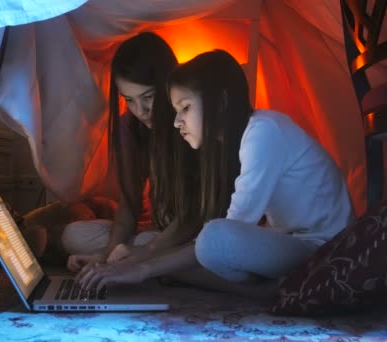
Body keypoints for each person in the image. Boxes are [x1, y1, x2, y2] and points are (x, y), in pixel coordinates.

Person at [76, 49, 355, 299]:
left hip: (321, 250)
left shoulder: (263, 131)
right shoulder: (239, 141)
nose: (176, 122)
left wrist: (142, 267)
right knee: (161, 244)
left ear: (219, 102)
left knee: (214, 239)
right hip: (288, 245)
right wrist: (143, 259)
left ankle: (270, 289)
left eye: (185, 108)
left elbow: (231, 228)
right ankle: (266, 286)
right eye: (175, 111)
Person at [63, 32, 200, 272]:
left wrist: (143, 252)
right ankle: (150, 259)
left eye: (148, 97)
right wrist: (107, 254)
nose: (141, 110)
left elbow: (195, 214)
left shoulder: (191, 122)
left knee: (155, 244)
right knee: (73, 234)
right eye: (129, 99)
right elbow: (129, 201)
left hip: (193, 229)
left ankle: (154, 260)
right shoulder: (129, 126)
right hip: (155, 231)